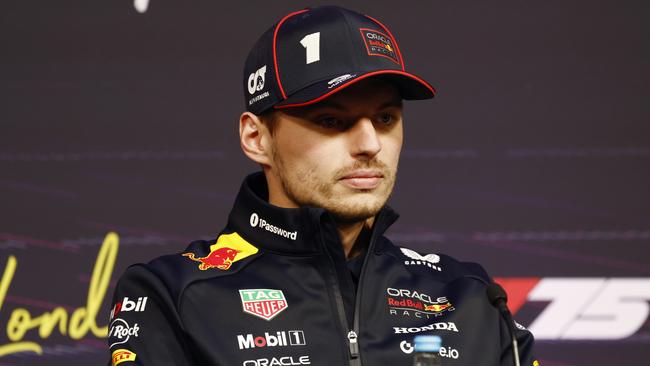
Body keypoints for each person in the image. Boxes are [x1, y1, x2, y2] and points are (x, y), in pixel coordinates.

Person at [107, 5, 537, 366]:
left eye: (386, 119)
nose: (370, 145)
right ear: (257, 138)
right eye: (332, 121)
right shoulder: (173, 294)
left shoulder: (470, 296)